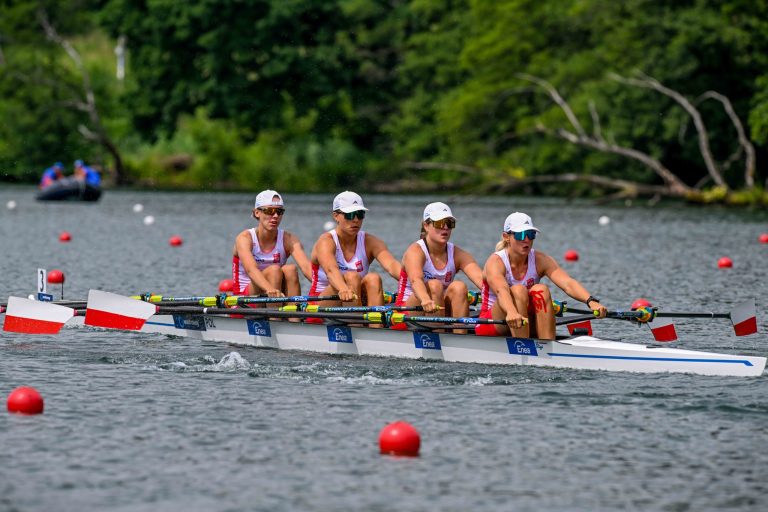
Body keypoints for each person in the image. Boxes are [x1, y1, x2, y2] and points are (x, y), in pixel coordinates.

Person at [476, 212, 607, 339]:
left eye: (531, 234)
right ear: (506, 237)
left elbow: (567, 283)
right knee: (518, 290)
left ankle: (547, 346)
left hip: (524, 321)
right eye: (521, 235)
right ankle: (522, 346)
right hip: (492, 323)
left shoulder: (540, 259)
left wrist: (591, 301)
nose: (526, 240)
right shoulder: (496, 262)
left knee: (541, 290)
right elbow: (501, 290)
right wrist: (511, 312)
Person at [394, 202, 484, 328]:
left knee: (459, 287)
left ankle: (459, 337)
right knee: (434, 285)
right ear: (426, 225)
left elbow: (483, 282)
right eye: (439, 223)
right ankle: (438, 337)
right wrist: (425, 299)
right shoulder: (415, 251)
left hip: (438, 308)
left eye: (449, 223)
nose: (445, 228)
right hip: (406, 312)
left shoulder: (457, 253)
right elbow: (416, 281)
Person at [309, 191, 401, 307]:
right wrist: (342, 288)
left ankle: (374, 324)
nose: (356, 220)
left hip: (354, 298)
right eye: (350, 215)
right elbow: (331, 270)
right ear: (336, 216)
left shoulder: (370, 241)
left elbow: (392, 266)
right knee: (352, 277)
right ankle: (357, 323)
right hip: (320, 302)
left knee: (374, 278)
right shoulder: (326, 241)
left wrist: (417, 284)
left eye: (360, 214)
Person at [232, 190, 312, 298]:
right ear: (257, 213)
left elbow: (307, 268)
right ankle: (275, 314)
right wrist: (270, 289)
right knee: (274, 270)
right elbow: (251, 269)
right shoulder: (244, 238)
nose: (275, 216)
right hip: (245, 298)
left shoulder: (288, 239)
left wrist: (335, 286)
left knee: (291, 269)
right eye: (269, 211)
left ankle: (294, 313)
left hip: (275, 293)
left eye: (279, 212)